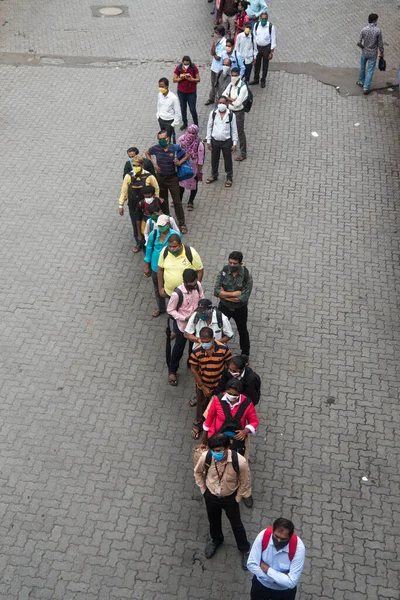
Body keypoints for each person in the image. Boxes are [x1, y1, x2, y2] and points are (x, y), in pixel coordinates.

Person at [194, 432, 251, 569]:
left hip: (230, 498)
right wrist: (203, 489)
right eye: (213, 450)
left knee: (236, 524)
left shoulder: (240, 462)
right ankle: (216, 540)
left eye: (218, 451)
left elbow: (245, 482)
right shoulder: (206, 457)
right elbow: (197, 472)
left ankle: (244, 549)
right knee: (213, 520)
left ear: (227, 448)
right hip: (211, 495)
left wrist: (238, 497)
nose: (215, 454)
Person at [202, 378, 259, 507]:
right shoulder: (217, 400)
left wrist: (246, 430)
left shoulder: (247, 404)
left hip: (239, 442)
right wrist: (205, 439)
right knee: (216, 465)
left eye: (235, 394)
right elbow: (209, 419)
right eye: (230, 393)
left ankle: (246, 493)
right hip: (218, 440)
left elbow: (254, 421)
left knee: (243, 468)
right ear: (225, 390)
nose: (232, 396)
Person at [189, 327, 232, 439]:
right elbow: (193, 369)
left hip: (219, 385)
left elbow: (229, 365)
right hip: (203, 384)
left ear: (213, 339)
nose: (205, 344)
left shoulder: (223, 349)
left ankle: (216, 426)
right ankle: (198, 425)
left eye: (207, 341)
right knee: (201, 404)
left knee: (218, 406)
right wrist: (203, 387)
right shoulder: (196, 351)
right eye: (202, 341)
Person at [247, 518, 306, 599]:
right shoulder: (263, 536)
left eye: (283, 539)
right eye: (276, 536)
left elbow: (292, 582)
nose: (278, 540)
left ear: (290, 537)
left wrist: (267, 570)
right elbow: (251, 564)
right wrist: (280, 578)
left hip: (284, 591)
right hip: (261, 585)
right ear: (272, 532)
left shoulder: (298, 548)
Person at [166, 269, 205, 386]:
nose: (193, 286)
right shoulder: (177, 294)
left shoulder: (197, 285)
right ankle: (172, 371)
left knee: (193, 346)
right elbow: (170, 310)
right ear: (184, 282)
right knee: (178, 348)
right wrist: (183, 318)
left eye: (194, 283)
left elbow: (202, 297)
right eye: (190, 285)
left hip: (195, 324)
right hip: (182, 326)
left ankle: (191, 363)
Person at [146, 130, 189, 234]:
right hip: (160, 178)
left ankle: (182, 223)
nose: (162, 141)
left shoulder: (175, 148)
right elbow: (147, 153)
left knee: (177, 202)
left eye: (163, 138)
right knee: (163, 201)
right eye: (159, 139)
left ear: (168, 138)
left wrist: (179, 162)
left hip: (172, 178)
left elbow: (186, 155)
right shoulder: (155, 148)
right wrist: (153, 164)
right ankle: (167, 221)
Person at [214, 251, 253, 355]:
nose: (232, 265)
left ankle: (245, 353)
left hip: (240, 309)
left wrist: (224, 294)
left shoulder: (246, 276)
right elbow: (216, 291)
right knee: (219, 328)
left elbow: (243, 298)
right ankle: (219, 350)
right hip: (224, 307)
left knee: (242, 330)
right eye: (230, 262)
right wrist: (235, 294)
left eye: (235, 263)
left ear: (240, 263)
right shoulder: (224, 271)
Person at [118, 156, 159, 253]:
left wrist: (156, 203)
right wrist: (121, 205)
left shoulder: (149, 177)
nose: (136, 167)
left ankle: (151, 242)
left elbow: (156, 189)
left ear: (142, 165)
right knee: (135, 224)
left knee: (150, 225)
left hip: (148, 207)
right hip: (133, 206)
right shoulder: (128, 176)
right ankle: (139, 243)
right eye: (134, 165)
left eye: (138, 165)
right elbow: (124, 191)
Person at [144, 215, 180, 317]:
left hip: (170, 267)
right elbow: (149, 249)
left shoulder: (175, 236)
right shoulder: (154, 234)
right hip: (155, 266)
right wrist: (147, 265)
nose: (161, 228)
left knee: (171, 288)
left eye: (163, 226)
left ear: (168, 224)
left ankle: (174, 308)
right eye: (159, 226)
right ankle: (161, 308)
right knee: (157, 287)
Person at [206, 96, 238, 188]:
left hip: (226, 141)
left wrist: (234, 143)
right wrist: (208, 141)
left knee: (227, 160)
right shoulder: (213, 113)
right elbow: (209, 127)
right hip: (215, 140)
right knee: (214, 159)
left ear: (227, 104)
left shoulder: (231, 115)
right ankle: (214, 175)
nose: (221, 104)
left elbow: (234, 130)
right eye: (220, 102)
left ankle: (229, 177)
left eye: (223, 103)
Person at [157, 233, 203, 298]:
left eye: (174, 246)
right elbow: (160, 270)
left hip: (187, 295)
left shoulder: (191, 252)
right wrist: (160, 288)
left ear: (180, 245)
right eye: (170, 246)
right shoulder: (164, 251)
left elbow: (200, 270)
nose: (172, 249)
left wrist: (195, 288)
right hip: (170, 293)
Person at [223, 66, 249, 161]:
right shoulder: (230, 85)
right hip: (230, 111)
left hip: (238, 113)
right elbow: (223, 95)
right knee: (229, 130)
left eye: (235, 75)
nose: (233, 77)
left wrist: (228, 99)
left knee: (240, 132)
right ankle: (232, 146)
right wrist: (231, 99)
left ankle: (243, 153)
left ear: (239, 75)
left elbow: (237, 104)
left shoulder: (243, 87)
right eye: (232, 75)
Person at [177, 125, 205, 211]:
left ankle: (190, 202)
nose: (191, 135)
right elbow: (177, 151)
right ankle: (179, 201)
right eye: (189, 132)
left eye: (193, 133)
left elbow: (200, 159)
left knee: (193, 185)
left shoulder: (199, 144)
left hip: (193, 168)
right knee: (180, 185)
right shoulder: (181, 139)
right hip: (182, 166)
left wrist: (199, 171)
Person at [356, 13, 384, 95]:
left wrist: (362, 47)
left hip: (364, 52)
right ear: (375, 20)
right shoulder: (378, 31)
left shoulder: (364, 29)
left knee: (362, 67)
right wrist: (381, 53)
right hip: (373, 53)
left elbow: (358, 42)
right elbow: (380, 44)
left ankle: (361, 81)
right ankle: (366, 87)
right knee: (370, 70)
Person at [173, 55, 200, 130]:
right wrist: (180, 78)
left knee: (192, 108)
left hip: (191, 92)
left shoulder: (193, 67)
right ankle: (185, 123)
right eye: (185, 64)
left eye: (187, 64)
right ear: (182, 63)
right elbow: (174, 79)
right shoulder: (178, 68)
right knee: (183, 107)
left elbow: (198, 79)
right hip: (181, 92)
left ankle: (196, 123)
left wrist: (191, 79)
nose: (186, 66)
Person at [250, 11, 276, 88]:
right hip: (258, 47)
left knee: (265, 64)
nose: (264, 20)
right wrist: (254, 50)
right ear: (260, 18)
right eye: (262, 18)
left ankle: (263, 80)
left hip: (266, 48)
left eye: (265, 18)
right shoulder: (256, 25)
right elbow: (254, 37)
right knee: (256, 64)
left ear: (267, 19)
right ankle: (256, 79)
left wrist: (271, 53)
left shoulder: (271, 27)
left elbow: (273, 40)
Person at [205, 25, 227, 106]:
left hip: (220, 68)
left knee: (219, 85)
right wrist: (213, 44)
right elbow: (212, 52)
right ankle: (211, 98)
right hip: (214, 67)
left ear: (221, 33)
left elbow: (218, 57)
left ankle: (220, 100)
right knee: (213, 84)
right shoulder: (216, 41)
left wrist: (214, 54)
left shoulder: (224, 43)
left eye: (216, 33)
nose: (215, 34)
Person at [156, 77, 182, 142]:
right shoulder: (160, 95)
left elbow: (178, 112)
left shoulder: (173, 98)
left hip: (169, 121)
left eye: (162, 86)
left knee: (168, 138)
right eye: (159, 86)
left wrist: (173, 124)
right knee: (162, 137)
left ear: (167, 86)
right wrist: (158, 116)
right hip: (161, 120)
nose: (161, 88)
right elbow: (159, 105)